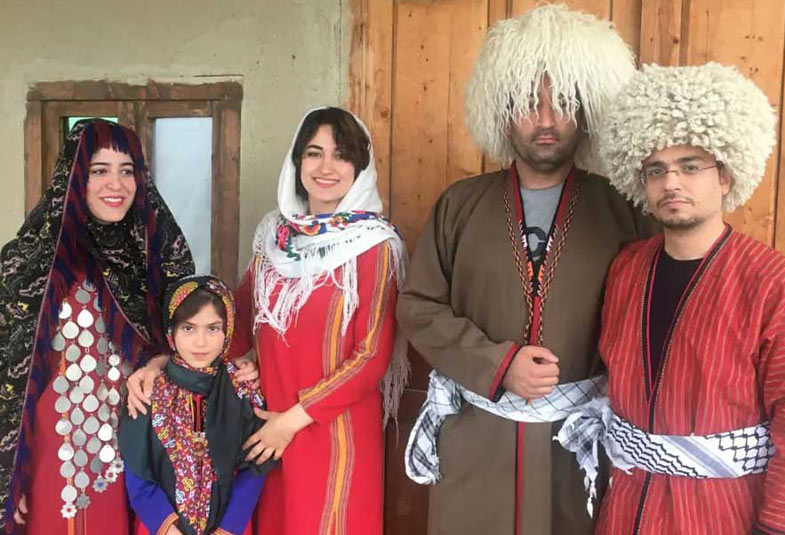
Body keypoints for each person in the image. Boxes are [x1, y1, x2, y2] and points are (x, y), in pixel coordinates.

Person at [396, 5, 656, 535]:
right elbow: (418, 306)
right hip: (476, 439)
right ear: (500, 111)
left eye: (560, 103)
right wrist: (497, 364)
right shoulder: (460, 205)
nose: (544, 120)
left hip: (579, 441)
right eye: (525, 104)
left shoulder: (624, 210)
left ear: (584, 111)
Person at [557, 62, 785, 535]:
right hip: (625, 505)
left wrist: (781, 526)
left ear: (725, 177)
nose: (672, 183)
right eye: (656, 170)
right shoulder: (627, 270)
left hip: (722, 513)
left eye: (691, 167)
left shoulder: (775, 284)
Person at [0, 119, 195, 534]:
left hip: (136, 449)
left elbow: (192, 340)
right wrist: (8, 471)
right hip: (50, 454)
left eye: (127, 170)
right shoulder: (30, 262)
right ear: (74, 178)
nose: (116, 184)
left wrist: (159, 361)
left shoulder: (156, 259)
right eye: (99, 170)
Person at [228, 107, 407, 535]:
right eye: (314, 153)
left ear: (360, 168)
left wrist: (287, 424)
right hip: (267, 429)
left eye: (342, 155)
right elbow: (235, 323)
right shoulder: (273, 237)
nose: (327, 167)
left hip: (333, 432)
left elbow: (371, 358)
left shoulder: (375, 246)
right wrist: (227, 363)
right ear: (297, 162)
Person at [120, 275, 275, 535]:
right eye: (188, 328)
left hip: (230, 527)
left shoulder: (242, 389)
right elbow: (137, 472)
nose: (200, 342)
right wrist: (167, 529)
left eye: (213, 328)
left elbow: (254, 467)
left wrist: (228, 529)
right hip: (160, 528)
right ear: (171, 331)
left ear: (227, 330)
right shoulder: (150, 390)